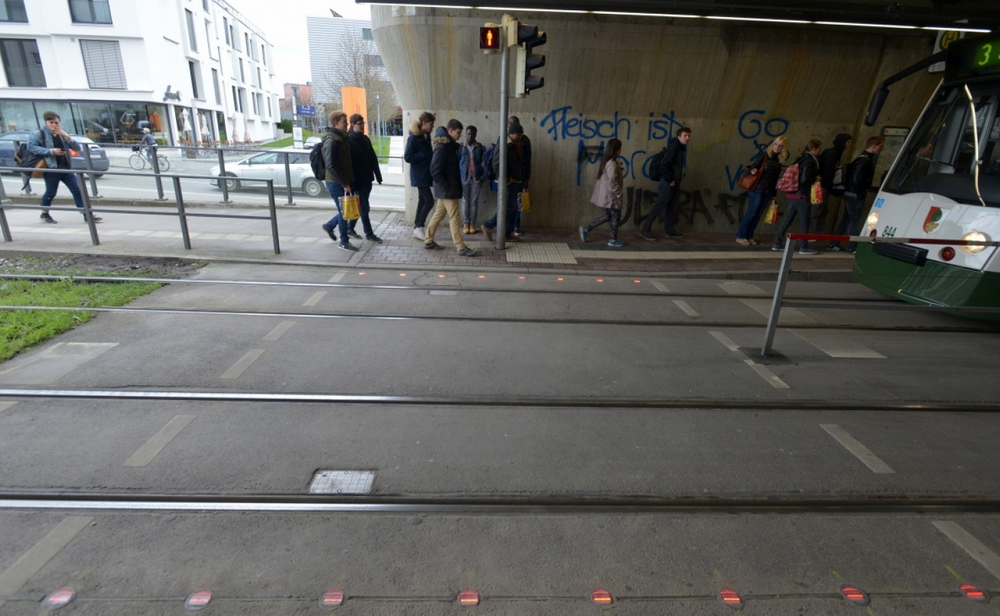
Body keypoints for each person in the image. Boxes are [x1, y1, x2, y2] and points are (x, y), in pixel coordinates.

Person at [27, 111, 101, 224]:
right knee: (51, 192)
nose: (54, 125)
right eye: (51, 123)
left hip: (65, 166)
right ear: (46, 122)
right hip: (51, 167)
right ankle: (44, 213)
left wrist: (66, 136)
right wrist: (51, 151)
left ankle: (86, 214)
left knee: (77, 190)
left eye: (56, 123)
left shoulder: (62, 134)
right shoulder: (39, 133)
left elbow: (76, 148)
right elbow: (31, 147)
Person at [425, 119, 478, 257]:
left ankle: (428, 239)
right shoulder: (442, 146)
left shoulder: (448, 145)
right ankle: (460, 247)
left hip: (447, 189)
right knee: (455, 218)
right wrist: (447, 187)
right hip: (448, 189)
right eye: (458, 132)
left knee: (439, 214)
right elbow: (435, 170)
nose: (460, 135)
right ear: (450, 131)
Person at [830, 136, 885, 253]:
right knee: (855, 220)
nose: (882, 149)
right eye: (881, 146)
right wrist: (860, 193)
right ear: (874, 146)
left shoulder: (861, 158)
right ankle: (851, 246)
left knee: (846, 218)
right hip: (855, 194)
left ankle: (834, 242)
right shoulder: (865, 160)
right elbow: (857, 179)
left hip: (849, 192)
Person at [640, 126, 690, 241]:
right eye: (685, 135)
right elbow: (664, 165)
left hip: (673, 182)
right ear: (678, 136)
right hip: (668, 183)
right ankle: (645, 230)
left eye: (689, 136)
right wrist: (670, 179)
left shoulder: (679, 148)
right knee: (659, 206)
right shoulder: (673, 148)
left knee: (671, 207)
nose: (687, 138)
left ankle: (669, 230)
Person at [482, 122, 530, 243]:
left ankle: (507, 234)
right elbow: (496, 164)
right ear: (511, 134)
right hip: (509, 183)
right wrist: (506, 179)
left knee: (513, 208)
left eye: (520, 134)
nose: (519, 137)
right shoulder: (504, 144)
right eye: (518, 134)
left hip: (515, 182)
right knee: (507, 208)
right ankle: (488, 225)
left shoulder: (514, 144)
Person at [735, 135, 788, 246]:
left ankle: (749, 236)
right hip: (757, 188)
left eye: (780, 146)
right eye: (776, 144)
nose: (777, 147)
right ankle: (741, 236)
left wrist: (774, 194)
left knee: (758, 214)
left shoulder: (779, 160)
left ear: (783, 148)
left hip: (768, 190)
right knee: (752, 212)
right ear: (773, 144)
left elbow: (775, 180)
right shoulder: (764, 156)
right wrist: (753, 170)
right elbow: (752, 167)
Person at [772, 140, 822, 255]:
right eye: (819, 149)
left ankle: (777, 243)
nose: (820, 151)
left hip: (792, 194)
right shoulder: (810, 161)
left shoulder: (800, 158)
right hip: (801, 195)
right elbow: (804, 179)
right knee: (805, 221)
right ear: (813, 149)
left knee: (787, 220)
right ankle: (804, 247)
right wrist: (815, 178)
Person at [319, 110, 358, 252]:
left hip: (345, 180)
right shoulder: (331, 140)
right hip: (336, 182)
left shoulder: (342, 137)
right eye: (344, 121)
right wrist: (345, 184)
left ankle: (329, 226)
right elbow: (330, 165)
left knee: (346, 210)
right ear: (336, 123)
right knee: (344, 212)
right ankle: (344, 242)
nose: (347, 124)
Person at [345, 113, 384, 243]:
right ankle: (369, 233)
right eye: (360, 124)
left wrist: (378, 176)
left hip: (367, 179)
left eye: (363, 123)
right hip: (357, 180)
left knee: (360, 206)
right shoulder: (348, 141)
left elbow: (372, 158)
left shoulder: (365, 139)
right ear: (352, 124)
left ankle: (349, 228)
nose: (362, 126)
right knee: (364, 207)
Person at [580, 138, 625, 247]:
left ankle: (586, 229)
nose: (621, 150)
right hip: (611, 196)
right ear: (617, 150)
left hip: (607, 195)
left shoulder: (607, 161)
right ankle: (612, 240)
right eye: (620, 148)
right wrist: (619, 194)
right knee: (615, 216)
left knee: (607, 216)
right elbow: (612, 182)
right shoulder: (612, 164)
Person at [404, 111, 435, 240]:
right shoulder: (414, 138)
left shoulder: (426, 137)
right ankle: (419, 227)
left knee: (422, 200)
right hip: (419, 175)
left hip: (425, 174)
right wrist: (422, 155)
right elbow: (408, 157)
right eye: (431, 124)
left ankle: (418, 227)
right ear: (424, 123)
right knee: (429, 201)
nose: (432, 126)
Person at [813, 133, 852, 234]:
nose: (849, 144)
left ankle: (818, 233)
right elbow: (828, 172)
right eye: (847, 142)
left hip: (824, 186)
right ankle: (811, 233)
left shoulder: (834, 153)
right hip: (823, 187)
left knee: (822, 211)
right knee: (817, 211)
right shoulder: (833, 154)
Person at [507, 116, 532, 235]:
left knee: (518, 202)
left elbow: (528, 160)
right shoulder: (505, 139)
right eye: (510, 123)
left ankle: (516, 225)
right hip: (508, 178)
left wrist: (527, 177)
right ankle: (507, 227)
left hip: (520, 175)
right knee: (509, 203)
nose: (512, 125)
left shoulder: (525, 140)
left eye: (515, 123)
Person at [459, 125, 485, 234]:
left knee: (474, 202)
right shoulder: (460, 147)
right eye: (468, 134)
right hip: (464, 178)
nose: (470, 136)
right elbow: (456, 163)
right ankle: (466, 223)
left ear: (475, 135)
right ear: (466, 134)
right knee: (465, 201)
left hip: (476, 179)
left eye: (473, 134)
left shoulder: (480, 148)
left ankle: (472, 223)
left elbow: (486, 164)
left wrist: (482, 178)